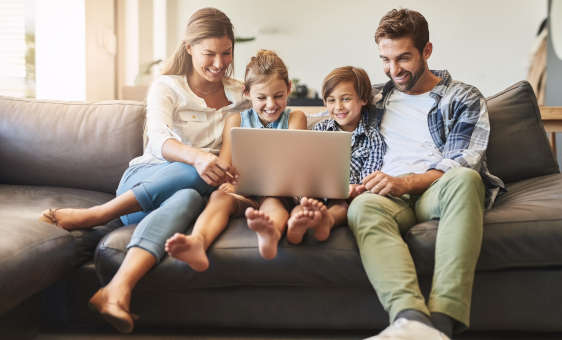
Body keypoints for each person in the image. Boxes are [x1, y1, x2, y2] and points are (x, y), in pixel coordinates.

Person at [39, 8, 249, 333]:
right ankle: (100, 213)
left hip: (192, 194)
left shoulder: (241, 94)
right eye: (209, 53)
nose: (219, 63)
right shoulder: (167, 87)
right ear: (189, 47)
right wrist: (196, 157)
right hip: (145, 182)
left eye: (226, 53)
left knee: (189, 196)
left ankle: (117, 289)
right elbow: (160, 141)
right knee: (193, 174)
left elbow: (260, 129)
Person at [351, 9, 505, 340]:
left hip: (436, 191)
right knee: (361, 206)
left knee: (466, 180)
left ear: (427, 51)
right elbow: (330, 125)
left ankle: (442, 322)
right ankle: (410, 320)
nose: (394, 70)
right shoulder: (372, 98)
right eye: (385, 60)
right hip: (388, 197)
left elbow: (465, 162)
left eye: (403, 58)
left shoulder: (463, 97)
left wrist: (404, 181)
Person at [164, 49, 307, 270]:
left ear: (289, 89)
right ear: (247, 93)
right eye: (261, 97)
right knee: (220, 197)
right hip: (245, 193)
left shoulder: (296, 118)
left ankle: (270, 234)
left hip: (278, 192)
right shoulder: (236, 120)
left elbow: (295, 163)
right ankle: (198, 242)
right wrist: (229, 182)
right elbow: (225, 164)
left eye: (278, 96)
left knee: (272, 204)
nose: (270, 104)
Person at [286, 66, 386, 244]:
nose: (338, 107)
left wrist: (352, 189)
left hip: (345, 196)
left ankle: (326, 222)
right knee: (303, 206)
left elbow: (369, 179)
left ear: (363, 99)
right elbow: (306, 165)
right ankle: (296, 224)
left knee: (340, 207)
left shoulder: (373, 138)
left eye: (346, 99)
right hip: (315, 191)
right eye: (331, 100)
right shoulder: (319, 129)